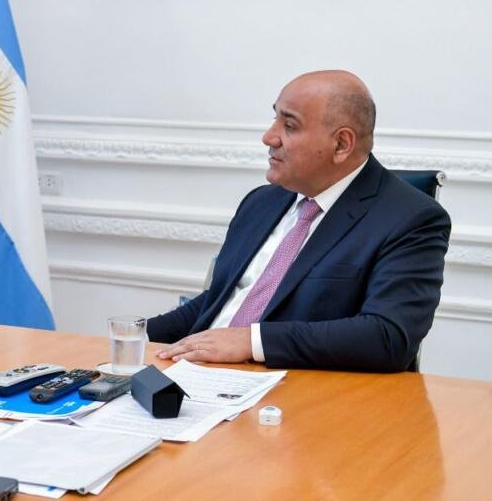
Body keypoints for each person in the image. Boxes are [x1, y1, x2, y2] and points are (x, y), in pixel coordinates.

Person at [147, 70, 450, 372]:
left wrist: (251, 341)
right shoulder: (260, 203)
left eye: (289, 126)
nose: (269, 137)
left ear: (341, 144)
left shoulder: (411, 219)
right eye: (274, 118)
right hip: (199, 376)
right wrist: (137, 335)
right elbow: (221, 300)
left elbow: (387, 337)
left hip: (292, 387)